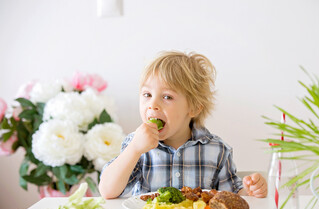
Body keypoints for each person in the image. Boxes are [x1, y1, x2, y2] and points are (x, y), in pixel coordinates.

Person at [99, 51, 267, 199]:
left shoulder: (217, 150)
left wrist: (250, 191)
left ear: (193, 108)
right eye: (147, 94)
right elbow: (107, 191)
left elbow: (231, 196)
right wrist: (134, 149)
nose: (153, 104)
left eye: (167, 97)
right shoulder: (136, 146)